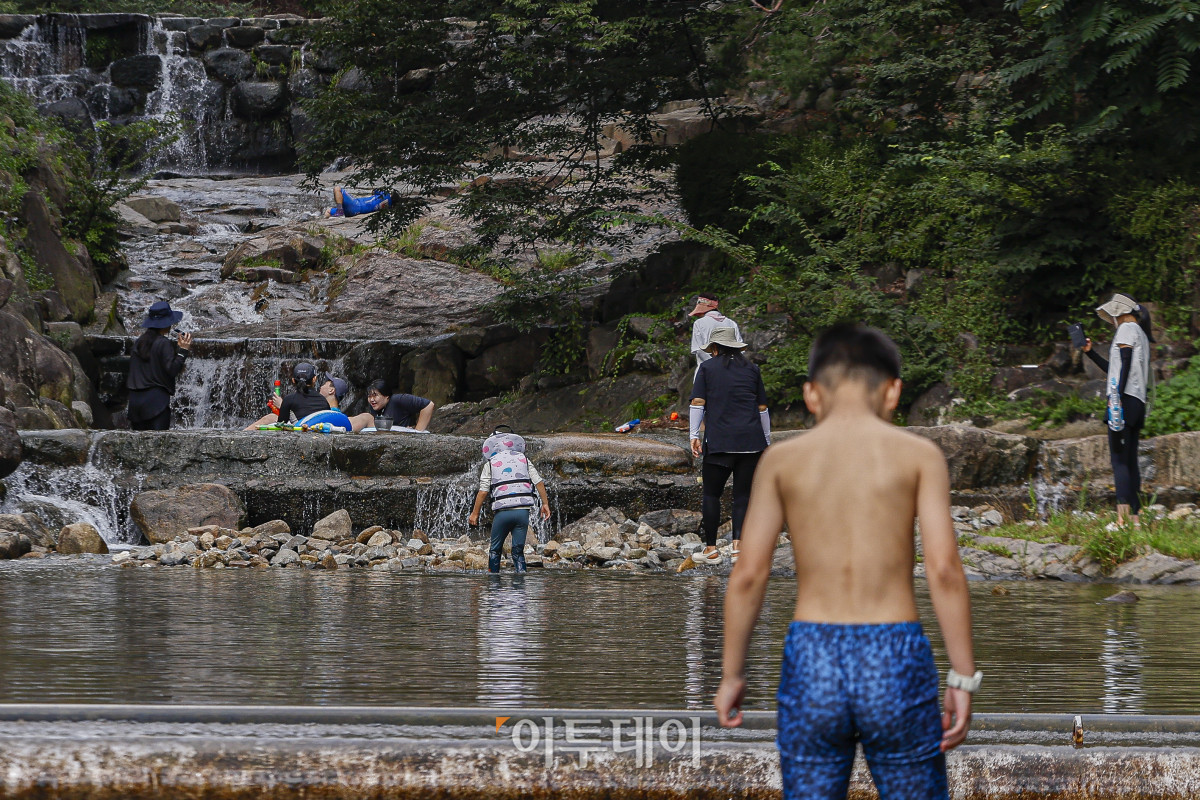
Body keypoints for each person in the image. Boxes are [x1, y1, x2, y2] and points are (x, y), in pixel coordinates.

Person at [714, 323, 976, 800]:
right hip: (894, 654)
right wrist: (962, 677)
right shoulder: (919, 456)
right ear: (893, 391)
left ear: (812, 394)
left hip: (813, 653)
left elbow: (750, 573)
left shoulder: (781, 461)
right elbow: (944, 569)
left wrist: (733, 674)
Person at [689, 326, 770, 564]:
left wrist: (694, 435)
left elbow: (698, 402)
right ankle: (738, 548)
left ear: (714, 348)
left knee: (712, 495)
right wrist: (765, 441)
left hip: (720, 442)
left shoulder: (706, 368)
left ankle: (711, 550)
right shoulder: (752, 369)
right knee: (743, 495)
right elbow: (762, 408)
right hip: (751, 443)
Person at [1081, 293, 1154, 527]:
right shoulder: (1141, 333)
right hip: (1138, 402)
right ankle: (1135, 517)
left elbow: (1124, 361)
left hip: (1123, 400)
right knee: (1130, 460)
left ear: (1119, 312)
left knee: (1119, 461)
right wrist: (1090, 352)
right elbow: (1117, 366)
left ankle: (1122, 521)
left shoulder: (1126, 329)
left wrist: (1117, 399)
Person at [467, 427, 552, 573]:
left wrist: (475, 513)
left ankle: (493, 585)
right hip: (522, 513)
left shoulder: (490, 463)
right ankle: (521, 588)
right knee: (518, 551)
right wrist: (545, 504)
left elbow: (483, 491)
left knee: (495, 550)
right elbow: (538, 482)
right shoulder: (524, 459)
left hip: (503, 513)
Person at [126, 300, 192, 430]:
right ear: (166, 323)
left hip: (135, 404)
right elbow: (172, 370)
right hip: (156, 403)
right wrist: (182, 351)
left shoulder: (139, 342)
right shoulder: (163, 343)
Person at [244, 362, 331, 429]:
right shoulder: (324, 401)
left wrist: (281, 406)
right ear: (314, 379)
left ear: (293, 380)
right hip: (316, 433)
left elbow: (281, 425)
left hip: (300, 433)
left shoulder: (290, 399)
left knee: (270, 418)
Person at [347, 380, 435, 432]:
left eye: (375, 395)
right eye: (369, 396)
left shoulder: (399, 399)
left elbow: (428, 405)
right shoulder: (374, 406)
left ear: (386, 396)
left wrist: (417, 432)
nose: (371, 399)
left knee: (366, 417)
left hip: (402, 437)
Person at [689, 293, 742, 368]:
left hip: (706, 371)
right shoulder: (731, 323)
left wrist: (715, 366)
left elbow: (699, 350)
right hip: (731, 369)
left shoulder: (699, 323)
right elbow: (740, 349)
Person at [325, 187, 396, 218]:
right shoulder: (389, 207)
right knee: (329, 211)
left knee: (337, 189)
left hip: (355, 204)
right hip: (355, 212)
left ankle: (339, 210)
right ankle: (339, 212)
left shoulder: (386, 195)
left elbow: (374, 191)